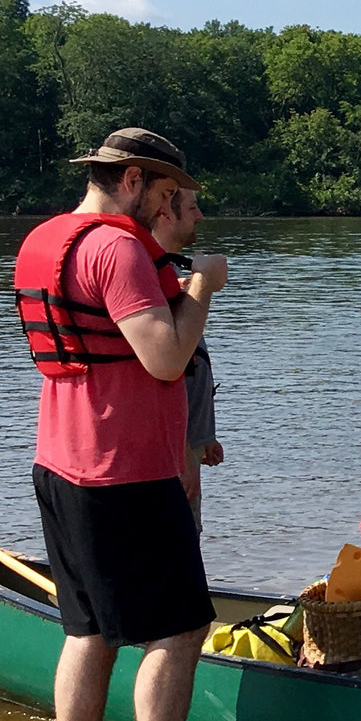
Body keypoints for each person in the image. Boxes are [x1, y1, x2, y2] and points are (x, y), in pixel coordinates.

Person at [14, 127, 247, 721]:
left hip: (61, 462)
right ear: (139, 183)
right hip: (123, 476)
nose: (195, 213)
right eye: (184, 198)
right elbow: (166, 358)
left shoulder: (49, 236)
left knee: (88, 631)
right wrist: (202, 286)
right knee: (180, 627)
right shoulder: (116, 247)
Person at [144, 180, 224, 525]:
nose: (200, 216)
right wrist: (181, 455)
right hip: (171, 456)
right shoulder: (148, 282)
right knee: (179, 547)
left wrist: (204, 436)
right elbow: (159, 380)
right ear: (165, 214)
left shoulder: (165, 276)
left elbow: (191, 367)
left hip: (185, 446)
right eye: (192, 208)